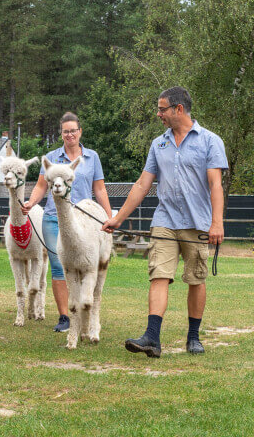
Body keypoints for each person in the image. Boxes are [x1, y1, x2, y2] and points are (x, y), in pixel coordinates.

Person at [102, 86, 228, 358]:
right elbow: (141, 185)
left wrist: (217, 222)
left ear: (178, 109)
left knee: (196, 278)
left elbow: (215, 185)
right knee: (159, 274)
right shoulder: (158, 144)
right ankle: (152, 338)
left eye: (162, 109)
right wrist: (117, 219)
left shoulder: (210, 141)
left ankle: (193, 337)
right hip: (165, 220)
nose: (158, 114)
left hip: (198, 223)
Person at [21, 112, 112, 332]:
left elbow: (99, 188)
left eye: (73, 130)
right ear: (61, 134)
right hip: (55, 218)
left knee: (88, 266)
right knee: (59, 267)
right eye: (65, 131)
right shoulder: (52, 158)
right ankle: (66, 316)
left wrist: (110, 218)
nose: (69, 134)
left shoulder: (92, 158)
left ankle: (85, 312)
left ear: (80, 132)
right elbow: (42, 186)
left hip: (86, 220)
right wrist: (32, 202)